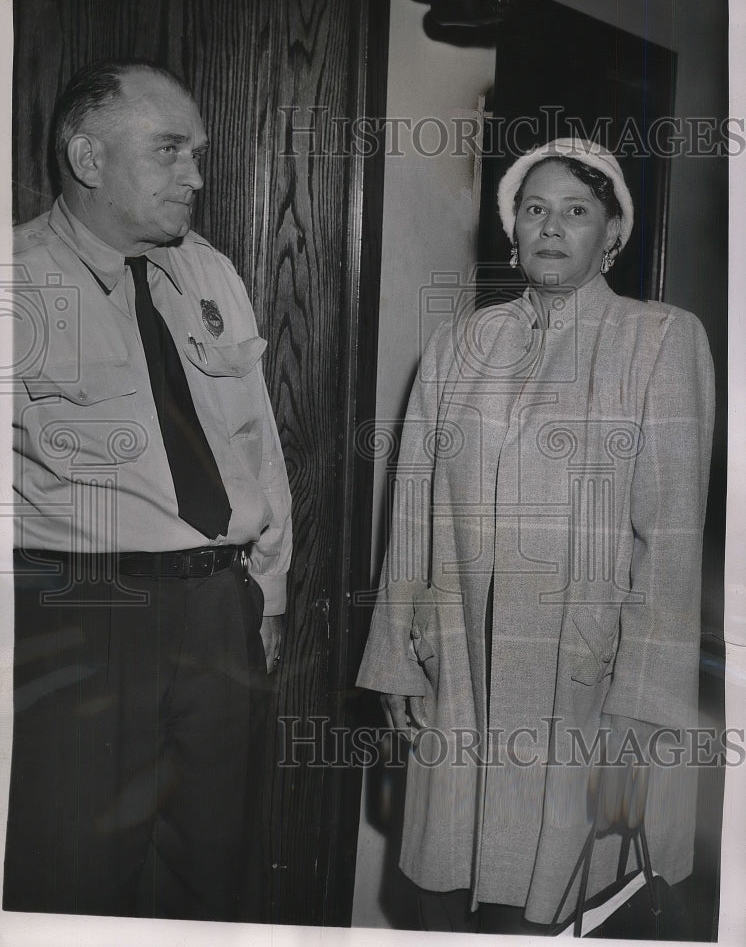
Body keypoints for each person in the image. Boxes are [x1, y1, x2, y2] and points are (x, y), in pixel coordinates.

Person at [356, 138, 715, 934]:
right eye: (534, 209)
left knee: (563, 900)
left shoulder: (659, 339)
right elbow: (411, 505)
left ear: (613, 234)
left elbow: (673, 536)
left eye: (577, 212)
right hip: (459, 673)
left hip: (586, 680)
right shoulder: (458, 344)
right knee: (450, 897)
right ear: (511, 230)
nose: (552, 228)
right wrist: (393, 659)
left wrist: (643, 709)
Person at [6, 59, 292, 921]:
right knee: (72, 878)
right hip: (80, 612)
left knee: (213, 877)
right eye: (170, 151)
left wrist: (267, 597)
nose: (196, 176)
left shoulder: (211, 273)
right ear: (88, 158)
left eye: (196, 152)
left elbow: (257, 445)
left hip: (218, 609)